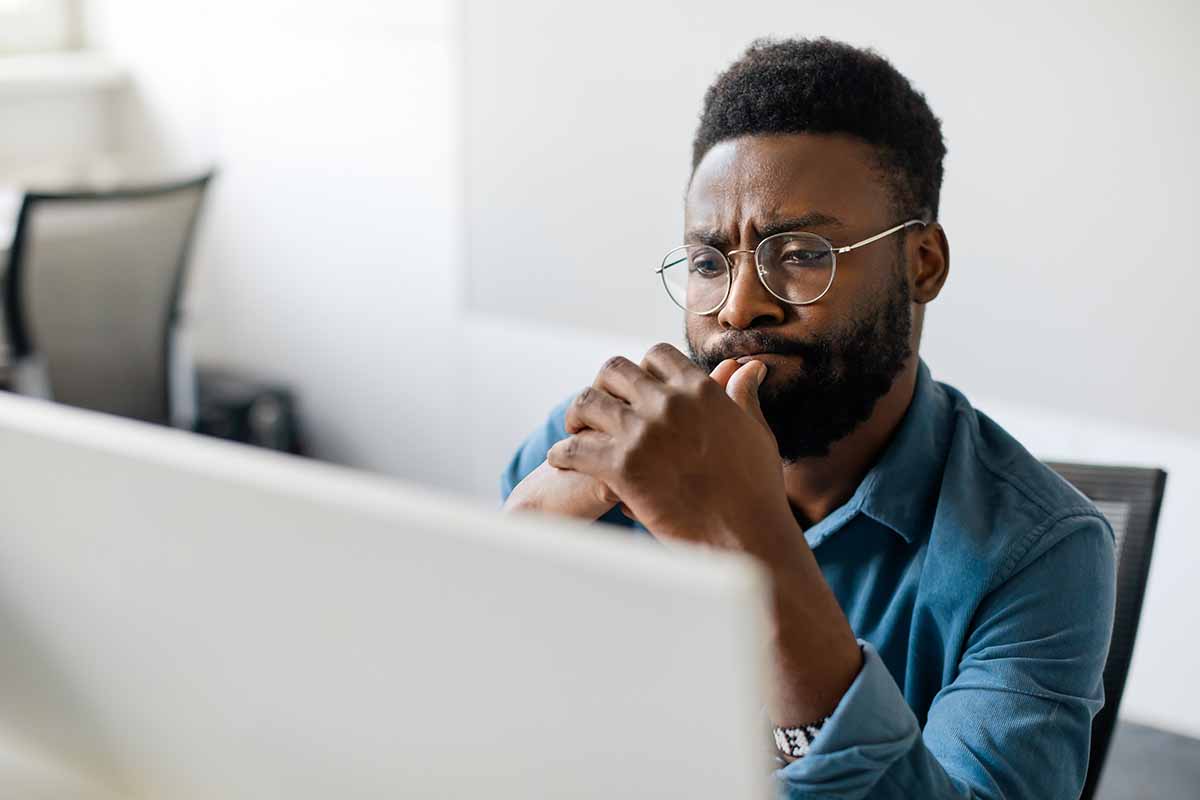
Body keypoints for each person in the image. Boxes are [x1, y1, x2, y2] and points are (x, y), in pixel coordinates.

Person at [501, 37, 1114, 800]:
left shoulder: (1040, 555)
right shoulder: (601, 442)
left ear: (922, 264)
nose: (738, 305)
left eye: (799, 253)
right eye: (706, 262)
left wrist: (749, 536)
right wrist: (508, 549)